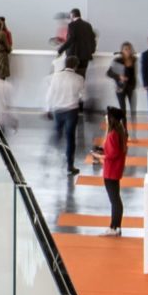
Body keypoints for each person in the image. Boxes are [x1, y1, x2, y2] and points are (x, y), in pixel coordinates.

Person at [48, 44, 90, 171]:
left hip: (58, 109)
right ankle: (70, 165)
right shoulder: (79, 78)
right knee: (70, 137)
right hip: (72, 110)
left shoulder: (55, 76)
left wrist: (48, 109)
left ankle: (52, 154)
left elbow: (50, 93)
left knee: (57, 133)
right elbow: (84, 96)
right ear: (76, 66)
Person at [97, 106, 129, 236]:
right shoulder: (120, 132)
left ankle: (114, 227)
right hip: (116, 170)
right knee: (116, 199)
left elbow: (112, 154)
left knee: (114, 200)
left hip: (110, 171)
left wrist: (100, 156)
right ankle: (116, 226)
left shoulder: (111, 135)